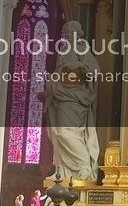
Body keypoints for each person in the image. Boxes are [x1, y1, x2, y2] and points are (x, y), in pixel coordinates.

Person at [43, 21, 101, 180]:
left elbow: (94, 70)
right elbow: (59, 73)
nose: (67, 34)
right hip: (61, 96)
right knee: (58, 133)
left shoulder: (81, 48)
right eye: (65, 32)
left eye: (70, 31)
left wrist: (78, 68)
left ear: (78, 33)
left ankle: (82, 168)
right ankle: (62, 170)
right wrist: (50, 87)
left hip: (74, 99)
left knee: (66, 132)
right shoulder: (63, 50)